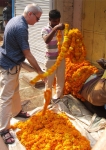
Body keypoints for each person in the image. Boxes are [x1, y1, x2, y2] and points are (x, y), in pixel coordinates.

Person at [0, 3, 43, 144]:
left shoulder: (15, 19)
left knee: (15, 91)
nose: (37, 22)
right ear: (30, 14)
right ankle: (4, 130)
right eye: (37, 19)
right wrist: (39, 70)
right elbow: (28, 54)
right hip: (9, 65)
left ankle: (17, 111)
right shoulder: (21, 28)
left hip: (12, 63)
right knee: (6, 98)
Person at [41, 9, 65, 102]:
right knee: (49, 81)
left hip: (60, 58)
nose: (57, 23)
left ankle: (58, 97)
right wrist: (54, 29)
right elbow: (46, 40)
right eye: (54, 21)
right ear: (49, 19)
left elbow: (64, 28)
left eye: (58, 20)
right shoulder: (45, 29)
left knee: (60, 79)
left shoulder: (60, 27)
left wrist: (61, 26)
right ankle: (47, 100)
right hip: (50, 59)